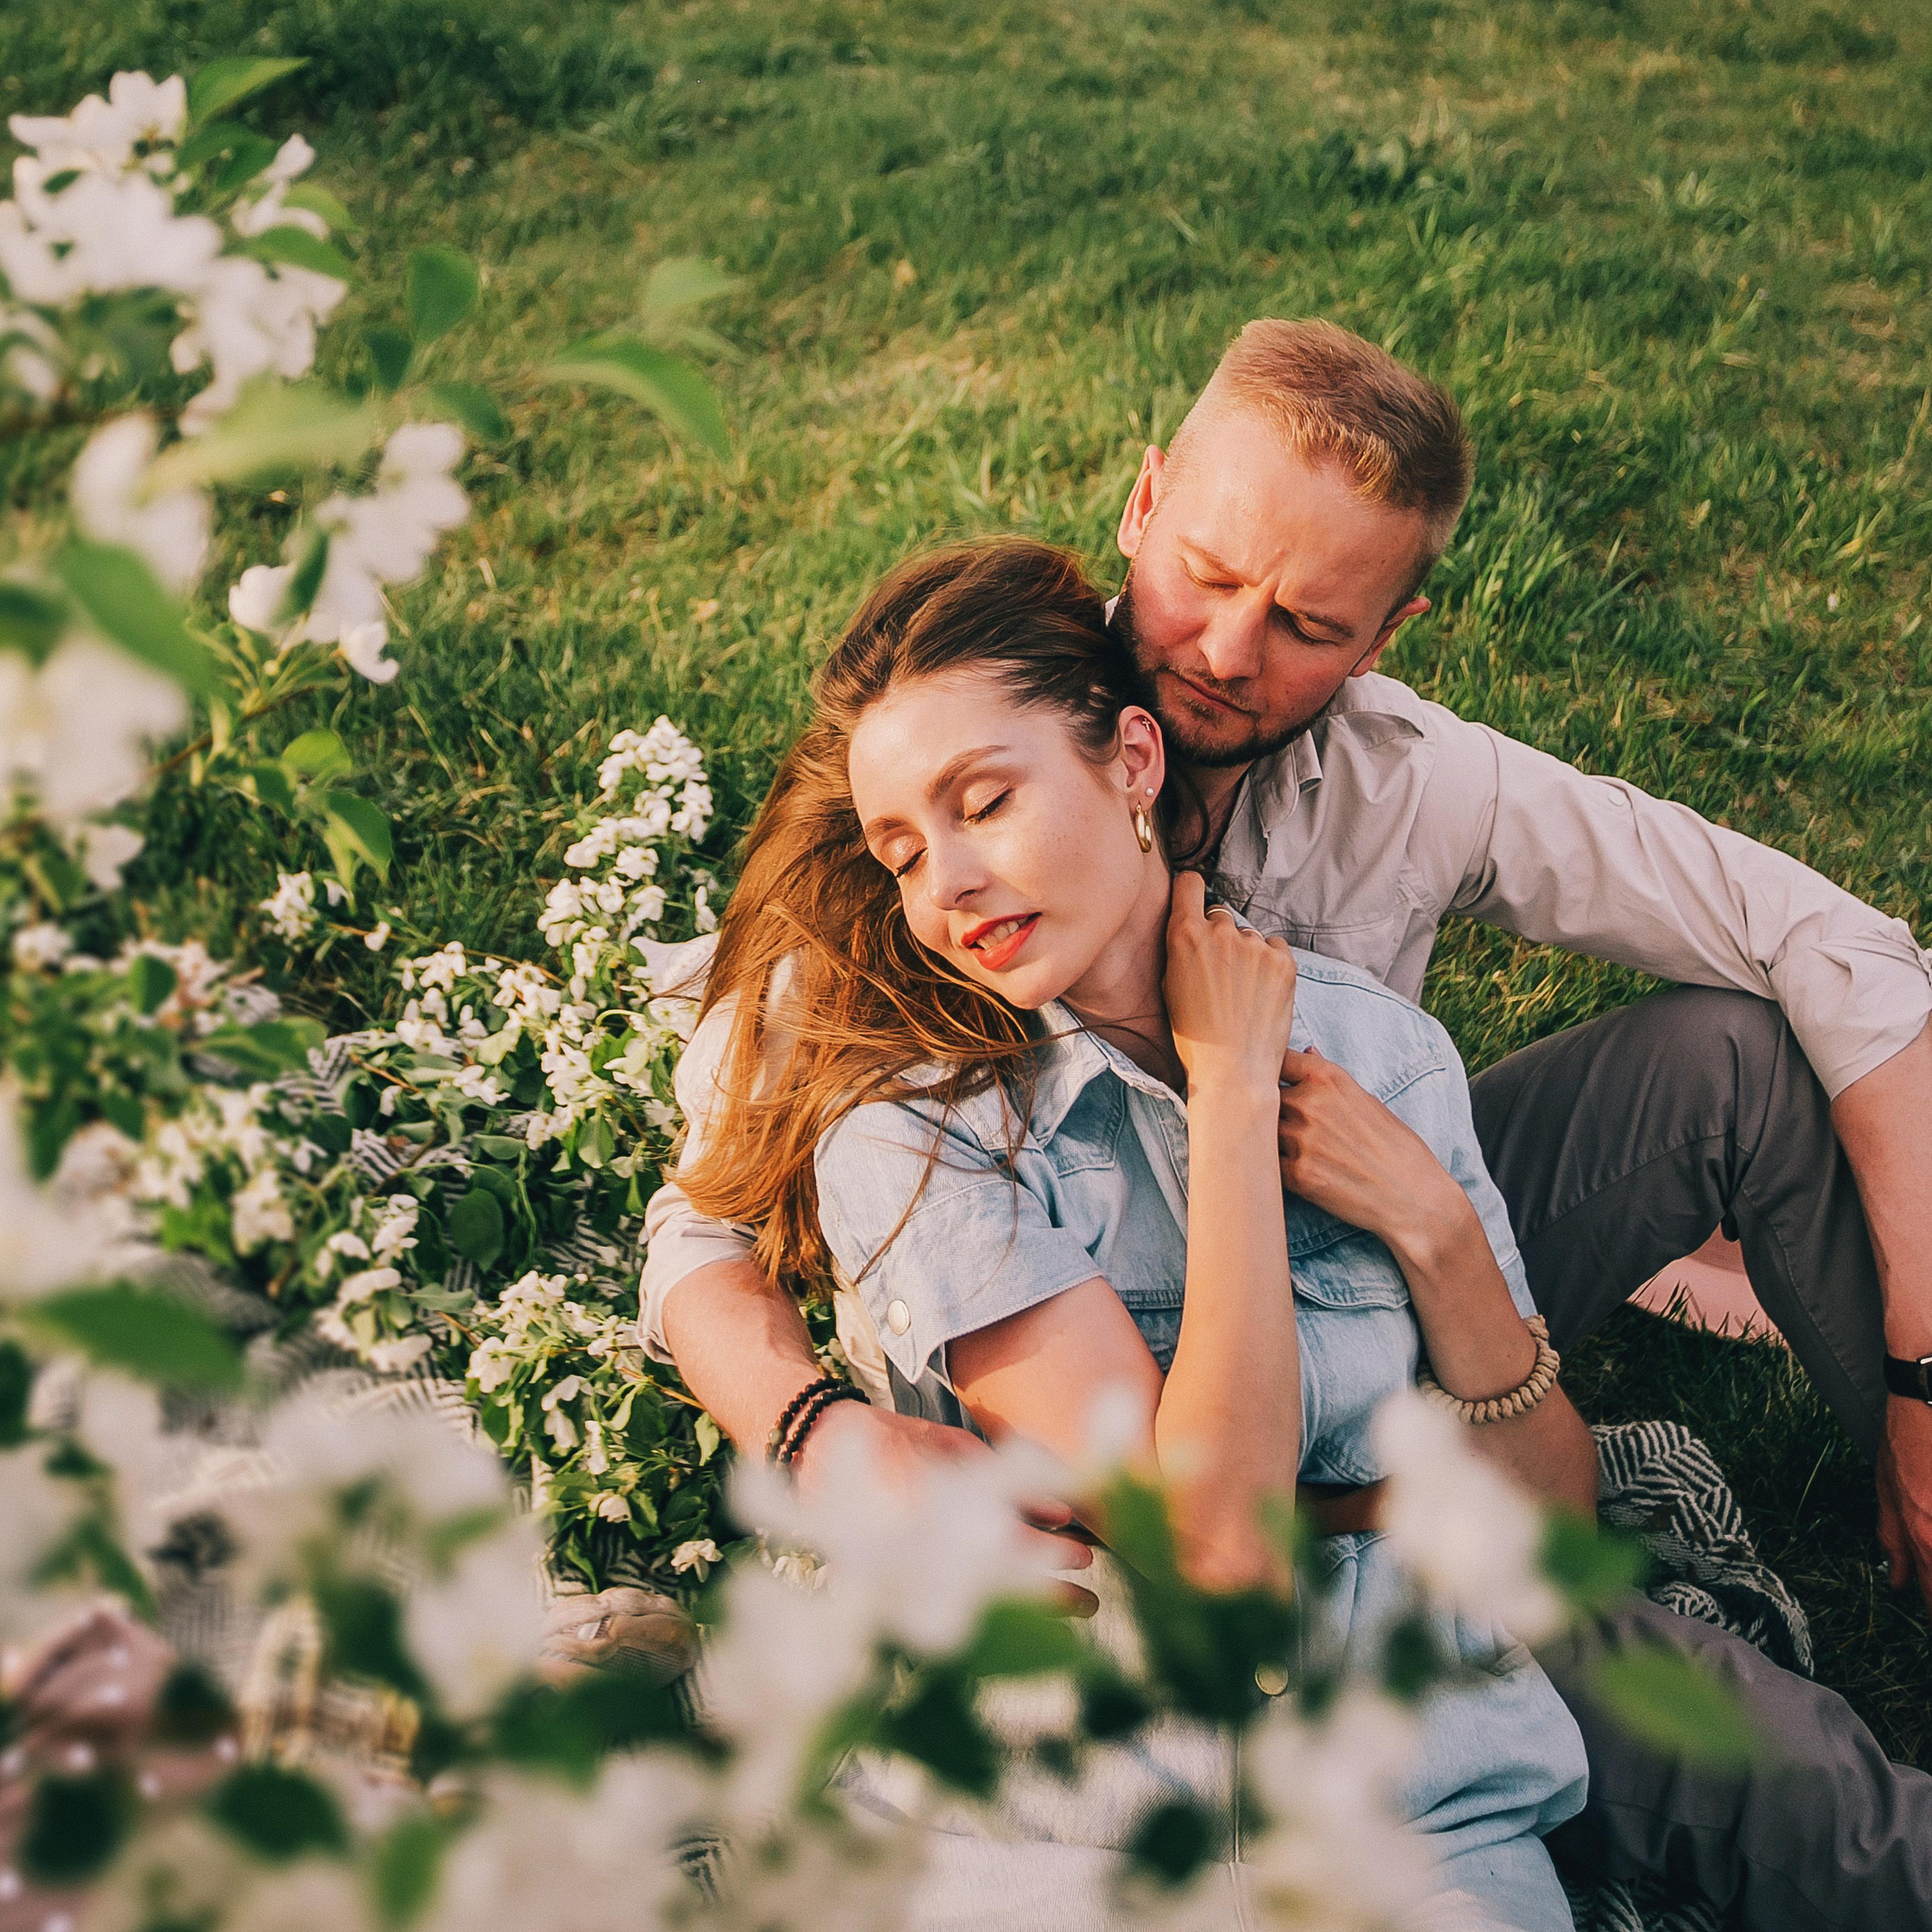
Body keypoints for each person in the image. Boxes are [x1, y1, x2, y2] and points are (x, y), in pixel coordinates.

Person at [638, 328, 1932, 1926]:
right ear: (1143, 501)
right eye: (1204, 576)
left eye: (1309, 623)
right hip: (1130, 1406)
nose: (1228, 653)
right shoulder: (948, 797)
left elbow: (1824, 941)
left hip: (1360, 1242)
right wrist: (815, 1431)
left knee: (1733, 1054)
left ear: (1390, 630)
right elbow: (704, 1212)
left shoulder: (1403, 821)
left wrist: (1917, 1380)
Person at [677, 540, 1595, 1929]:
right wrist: (1228, 1102)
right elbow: (1218, 1560)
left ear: (1134, 763)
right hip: (1046, 1830)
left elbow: (1549, 1520)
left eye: (985, 802)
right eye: (903, 851)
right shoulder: (916, 1127)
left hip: (1411, 1814)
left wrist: (1437, 1231)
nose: (951, 886)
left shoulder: (1383, 1059)